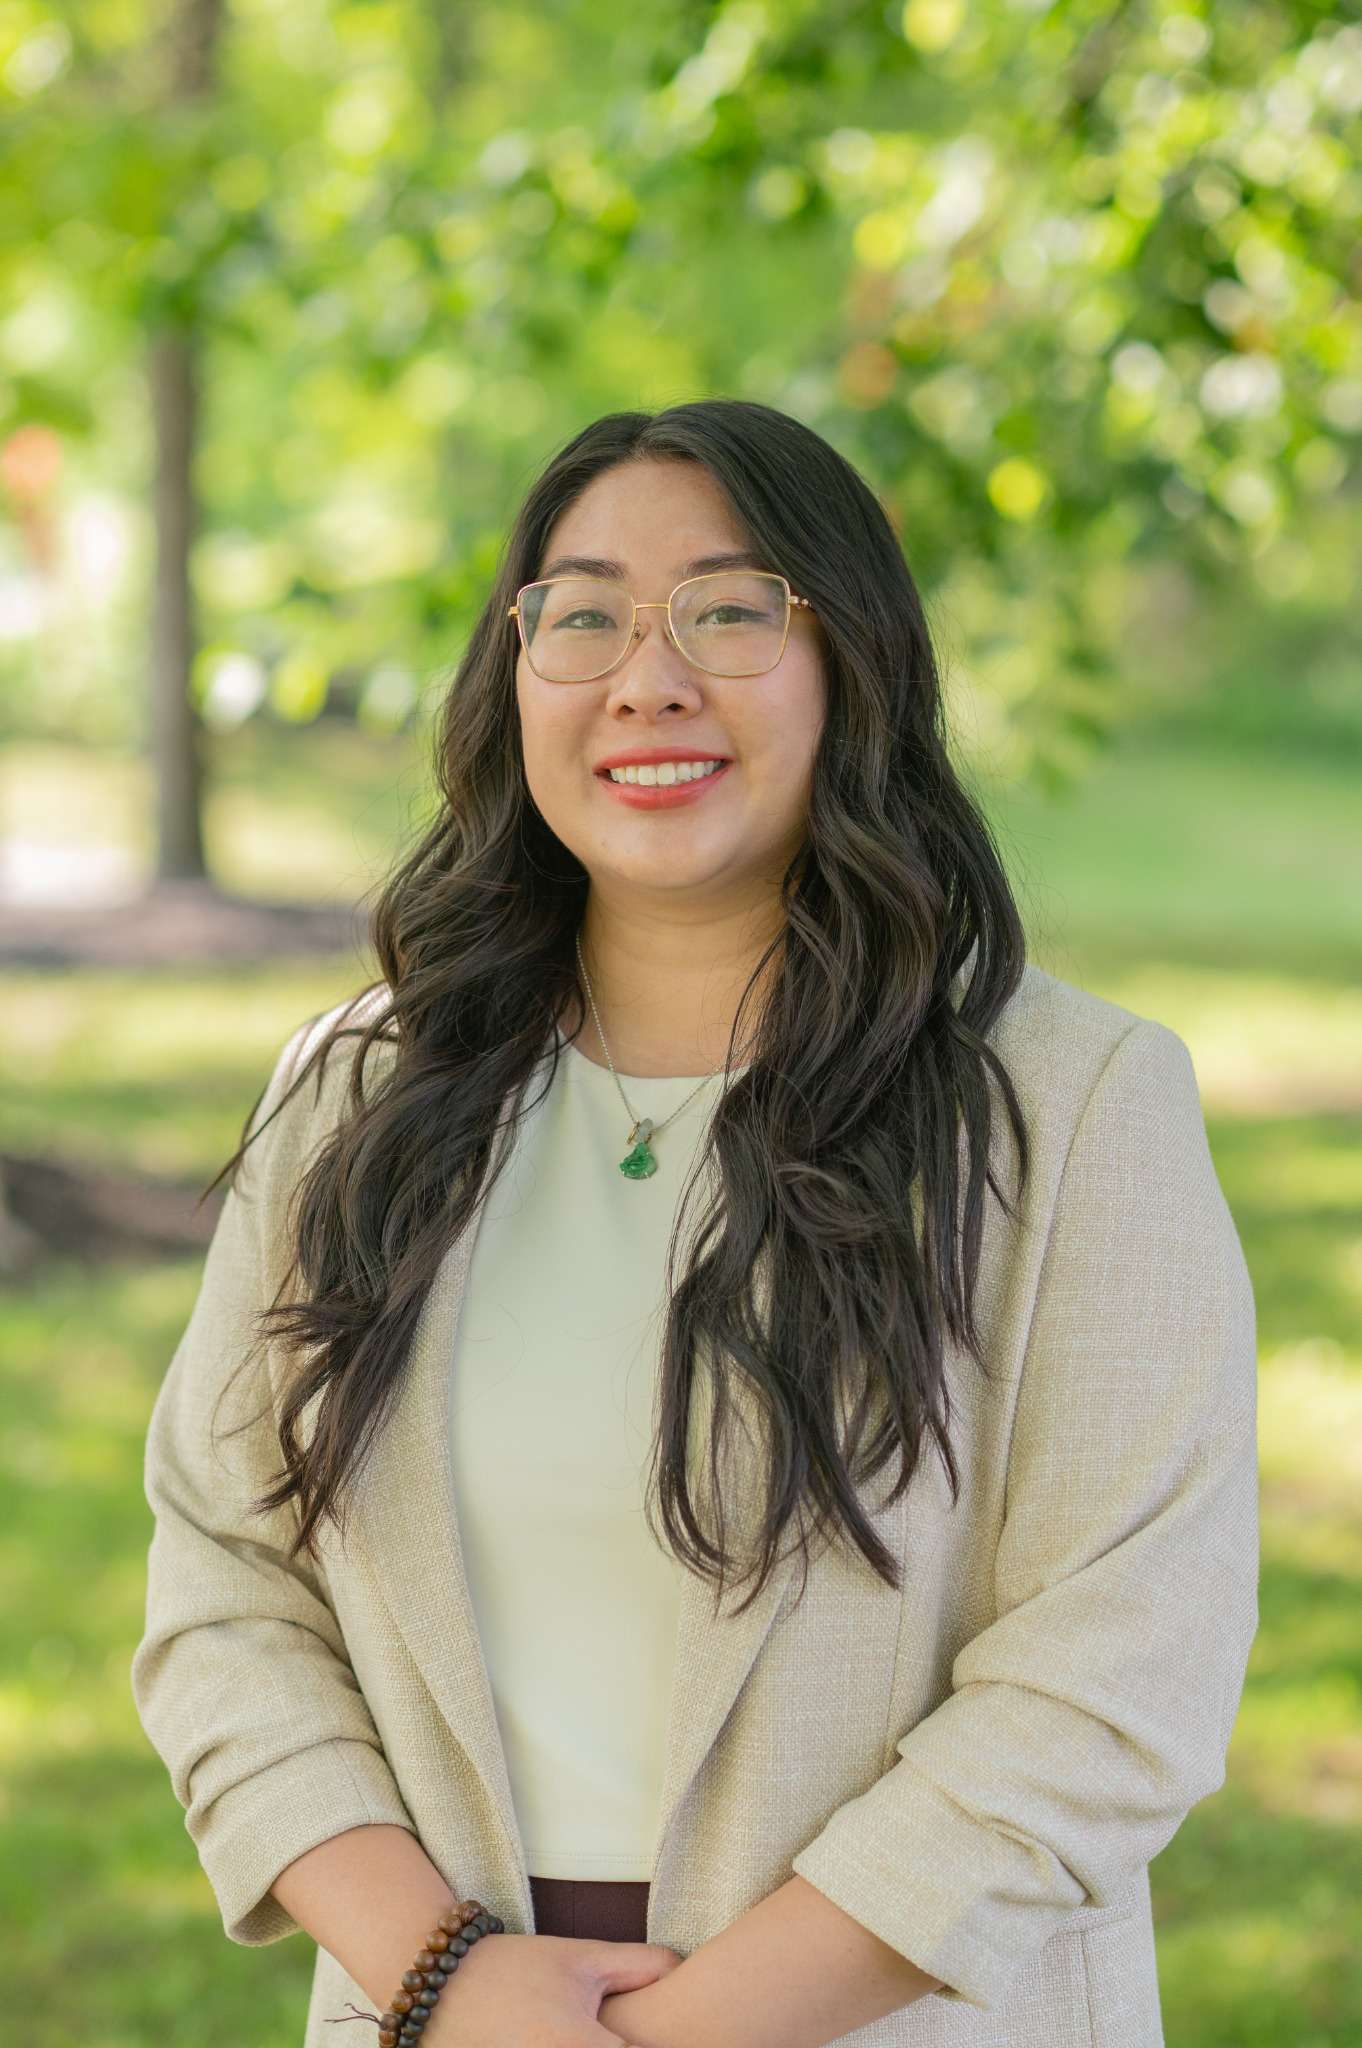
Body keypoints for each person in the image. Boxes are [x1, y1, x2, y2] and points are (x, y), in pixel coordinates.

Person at [130, 398, 1259, 2048]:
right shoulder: (353, 1102)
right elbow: (227, 1585)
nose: (644, 678)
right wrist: (444, 1979)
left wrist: (680, 2033)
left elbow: (1115, 1673)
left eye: (726, 611)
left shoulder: (1073, 1107)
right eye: (579, 615)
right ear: (514, 672)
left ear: (849, 662)